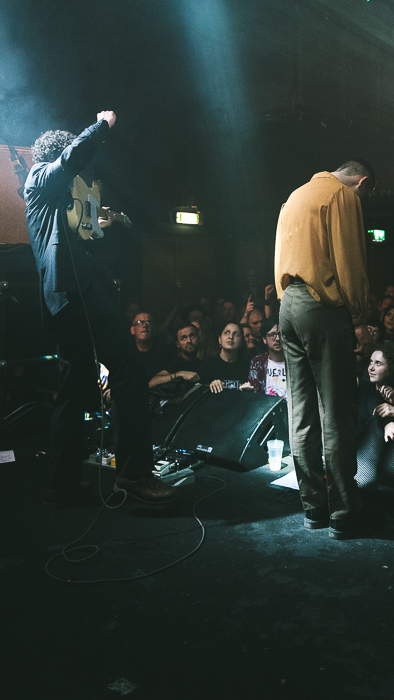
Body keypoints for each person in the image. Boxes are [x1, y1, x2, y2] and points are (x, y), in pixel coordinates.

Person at [24, 111, 176, 506]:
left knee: (73, 389)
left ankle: (61, 485)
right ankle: (135, 473)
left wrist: (101, 225)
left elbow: (80, 236)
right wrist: (101, 126)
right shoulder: (40, 176)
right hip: (74, 293)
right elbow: (72, 158)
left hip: (66, 296)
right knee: (128, 366)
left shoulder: (58, 198)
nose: (80, 173)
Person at [275, 158, 378, 539]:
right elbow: (350, 264)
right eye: (368, 194)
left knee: (300, 410)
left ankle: (313, 507)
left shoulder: (296, 194)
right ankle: (344, 511)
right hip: (322, 306)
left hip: (289, 304)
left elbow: (279, 259)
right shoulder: (342, 196)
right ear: (362, 183)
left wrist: (290, 300)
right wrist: (359, 315)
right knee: (336, 409)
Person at [200, 321, 250, 393]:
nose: (231, 337)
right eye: (227, 333)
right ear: (219, 339)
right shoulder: (208, 364)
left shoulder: (247, 365)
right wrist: (211, 385)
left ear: (241, 342)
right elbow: (201, 389)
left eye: (236, 334)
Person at [247, 318, 287, 398]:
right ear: (264, 339)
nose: (277, 339)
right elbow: (254, 391)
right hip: (265, 408)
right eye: (272, 335)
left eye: (281, 334)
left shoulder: (295, 361)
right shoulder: (258, 362)